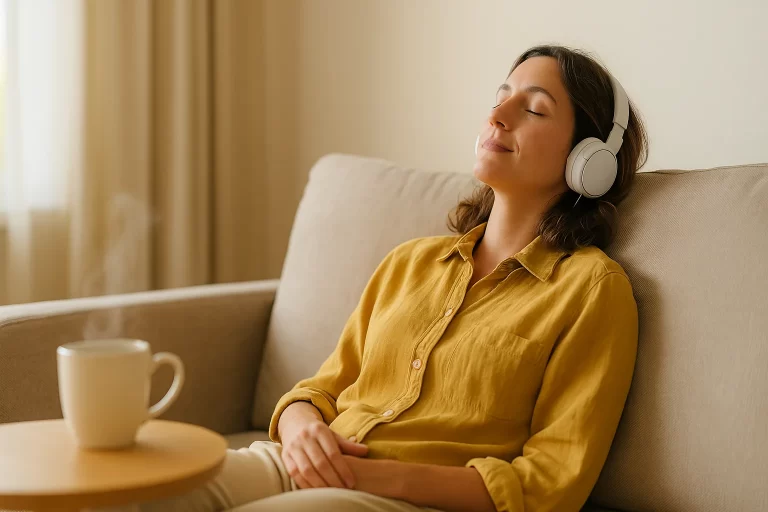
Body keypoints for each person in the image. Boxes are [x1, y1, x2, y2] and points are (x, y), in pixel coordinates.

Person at [131, 44, 648, 512]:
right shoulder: (409, 263)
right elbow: (321, 389)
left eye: (533, 109)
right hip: (302, 464)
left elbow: (549, 484)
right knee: (135, 490)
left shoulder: (591, 290)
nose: (497, 116)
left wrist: (369, 476)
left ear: (589, 161)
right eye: (500, 98)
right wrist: (302, 427)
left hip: (403, 499)